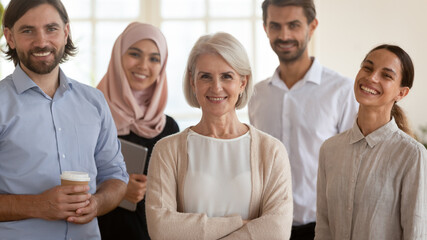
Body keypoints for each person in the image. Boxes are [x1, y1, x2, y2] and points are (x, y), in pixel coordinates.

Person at [0, 0, 129, 239]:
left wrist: (97, 204)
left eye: (51, 29)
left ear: (66, 32)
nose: (41, 42)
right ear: (10, 37)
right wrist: (38, 205)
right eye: (28, 30)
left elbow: (116, 176)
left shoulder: (94, 101)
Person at [145, 32, 293, 239]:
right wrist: (240, 224)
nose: (216, 87)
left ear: (242, 82)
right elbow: (161, 229)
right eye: (205, 76)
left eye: (227, 76)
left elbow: (276, 231)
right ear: (192, 82)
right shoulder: (167, 150)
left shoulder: (271, 151)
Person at [248, 1, 358, 239]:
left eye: (294, 25)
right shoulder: (256, 94)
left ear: (312, 26)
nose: (284, 35)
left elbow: (355, 166)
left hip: (324, 228)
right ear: (265, 28)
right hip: (266, 226)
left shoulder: (342, 90)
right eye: (275, 26)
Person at [315, 44, 427, 240]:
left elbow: (416, 233)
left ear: (401, 93)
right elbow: (323, 229)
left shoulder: (411, 155)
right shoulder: (330, 149)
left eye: (386, 75)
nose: (372, 77)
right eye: (367, 67)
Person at [96, 22, 180, 240]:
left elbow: (175, 199)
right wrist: (117, 189)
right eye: (135, 54)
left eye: (154, 58)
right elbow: (67, 175)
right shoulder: (92, 115)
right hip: (95, 232)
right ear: (118, 57)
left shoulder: (167, 128)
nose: (144, 65)